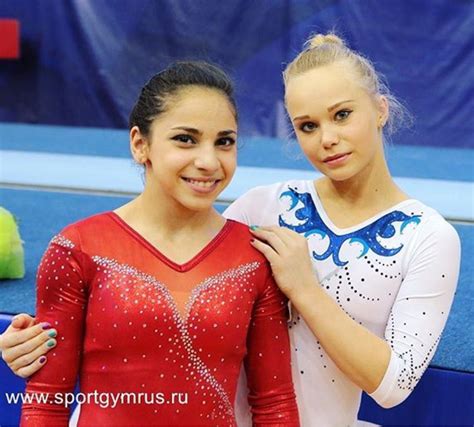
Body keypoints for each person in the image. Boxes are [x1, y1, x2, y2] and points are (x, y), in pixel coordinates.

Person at [1, 33, 461, 426]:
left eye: (342, 115)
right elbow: (161, 263)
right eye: (306, 125)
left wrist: (306, 289)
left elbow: (393, 386)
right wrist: (27, 340)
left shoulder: (429, 237)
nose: (327, 138)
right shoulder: (264, 206)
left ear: (380, 109)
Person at [1, 61, 299, 426]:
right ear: (140, 144)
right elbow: (47, 403)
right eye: (185, 139)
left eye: (224, 142)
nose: (208, 161)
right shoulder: (78, 249)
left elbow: (274, 403)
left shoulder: (253, 257)